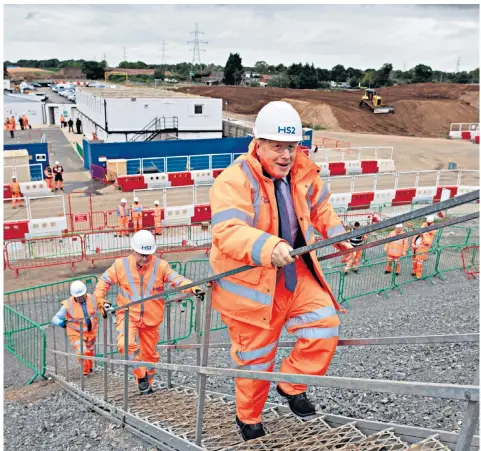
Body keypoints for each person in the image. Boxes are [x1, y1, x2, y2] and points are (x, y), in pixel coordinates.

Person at [209, 101, 353, 441]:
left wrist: (343, 237)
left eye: (291, 146)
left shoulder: (301, 172)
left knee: (324, 326)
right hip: (251, 287)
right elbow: (227, 230)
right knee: (256, 362)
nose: (286, 155)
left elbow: (321, 209)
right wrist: (269, 247)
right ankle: (249, 419)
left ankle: (291, 384)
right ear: (258, 144)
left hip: (294, 274)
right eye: (278, 147)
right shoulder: (234, 181)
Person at [94, 230, 202, 394]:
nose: (145, 258)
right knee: (125, 344)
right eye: (141, 254)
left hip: (152, 319)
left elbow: (177, 279)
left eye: (148, 254)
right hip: (128, 315)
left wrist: (192, 287)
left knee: (150, 356)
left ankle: (147, 385)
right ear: (133, 250)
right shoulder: (120, 265)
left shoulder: (161, 266)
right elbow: (103, 282)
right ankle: (141, 375)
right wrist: (101, 300)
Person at [52, 281, 98, 376]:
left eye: (82, 295)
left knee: (89, 352)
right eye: (78, 296)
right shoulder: (68, 304)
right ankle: (85, 372)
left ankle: (89, 369)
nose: (80, 298)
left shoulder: (92, 299)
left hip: (90, 332)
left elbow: (102, 306)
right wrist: (62, 323)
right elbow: (54, 319)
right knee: (82, 351)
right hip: (75, 333)